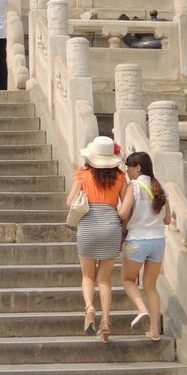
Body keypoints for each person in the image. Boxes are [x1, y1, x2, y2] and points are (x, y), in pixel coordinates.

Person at [66, 136, 127, 342]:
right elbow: (126, 209)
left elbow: (70, 201)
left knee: (88, 276)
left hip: (88, 226)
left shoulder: (83, 175)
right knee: (105, 280)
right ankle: (106, 321)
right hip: (111, 226)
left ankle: (90, 307)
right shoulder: (121, 178)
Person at [119, 150, 171, 340]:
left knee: (127, 280)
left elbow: (124, 213)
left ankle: (142, 310)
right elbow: (167, 220)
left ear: (138, 167)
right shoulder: (162, 187)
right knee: (150, 287)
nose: (127, 171)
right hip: (158, 241)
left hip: (137, 240)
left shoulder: (134, 186)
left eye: (129, 167)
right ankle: (155, 331)